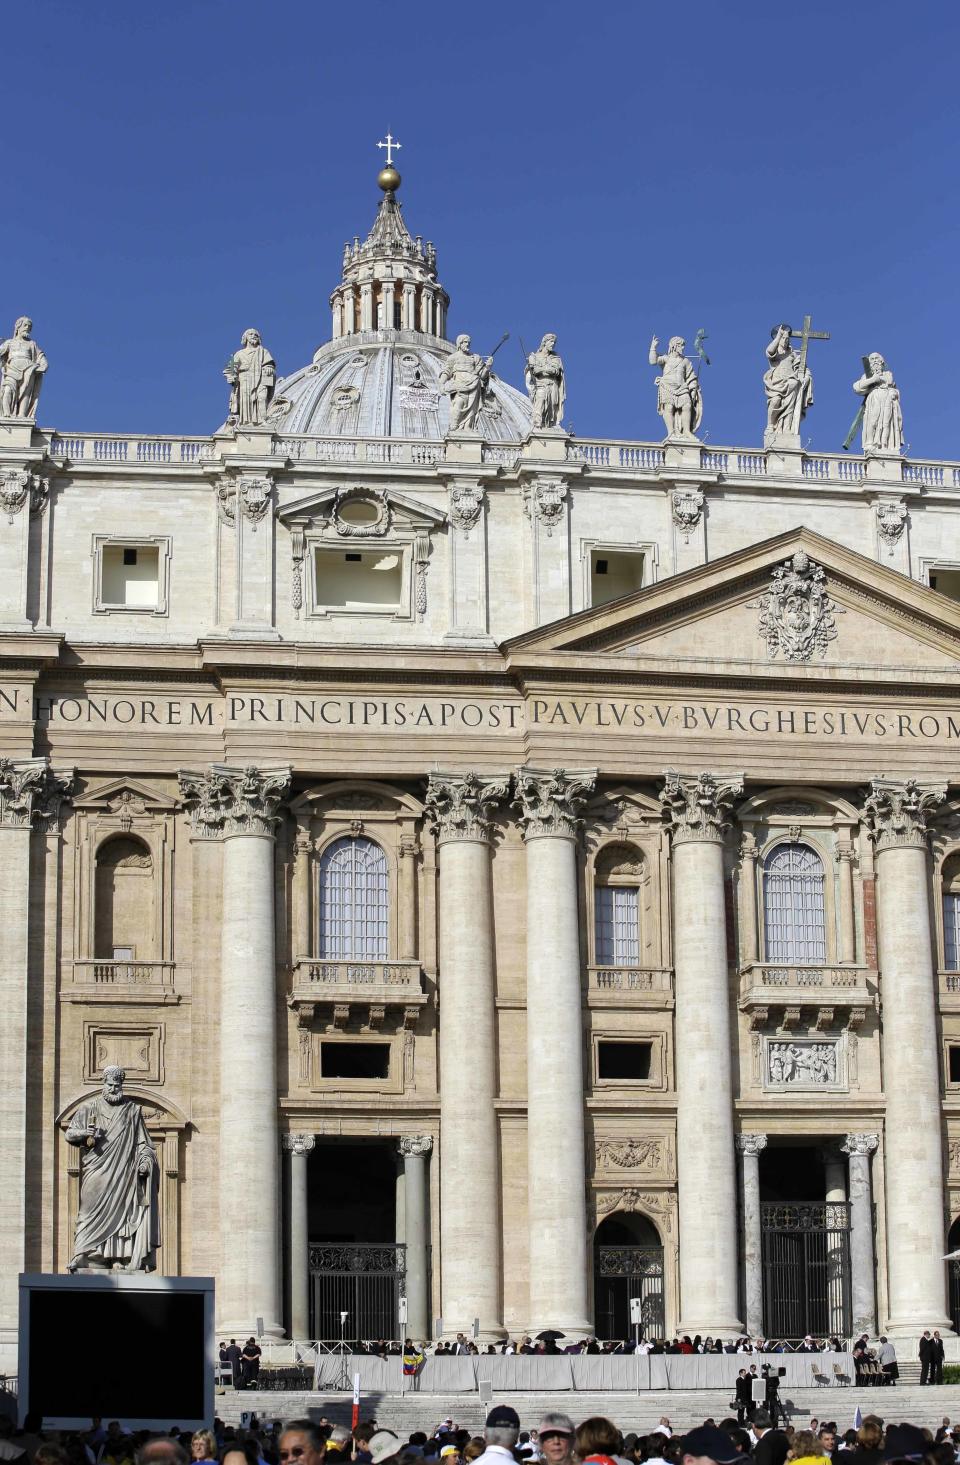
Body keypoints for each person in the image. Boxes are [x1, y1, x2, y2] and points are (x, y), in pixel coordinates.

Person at [65, 1065, 160, 1272]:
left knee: (122, 1213)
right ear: (103, 1084)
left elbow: (144, 1143)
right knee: (88, 1211)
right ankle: (83, 1253)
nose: (114, 1089)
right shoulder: (89, 1109)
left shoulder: (132, 1112)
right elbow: (69, 1135)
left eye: (118, 1085)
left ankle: (118, 1256)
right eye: (111, 1085)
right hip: (97, 1170)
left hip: (124, 1173)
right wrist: (84, 1132)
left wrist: (145, 1161)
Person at [764, 324, 812, 440]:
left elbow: (804, 368)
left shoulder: (792, 353)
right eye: (783, 338)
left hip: (790, 382)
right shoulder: (776, 352)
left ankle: (786, 428)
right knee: (775, 401)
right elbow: (769, 352)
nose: (785, 341)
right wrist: (779, 335)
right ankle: (771, 425)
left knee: (790, 402)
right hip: (776, 382)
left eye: (787, 339)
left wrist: (806, 377)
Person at [648, 335, 702, 439]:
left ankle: (686, 431)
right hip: (667, 386)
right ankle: (671, 432)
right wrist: (653, 347)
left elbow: (691, 376)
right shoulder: (666, 358)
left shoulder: (685, 361)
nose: (683, 348)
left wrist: (693, 386)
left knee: (687, 405)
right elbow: (653, 361)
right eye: (681, 346)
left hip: (682, 388)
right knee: (669, 408)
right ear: (674, 346)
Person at [439, 336, 493, 433]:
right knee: (458, 404)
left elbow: (482, 375)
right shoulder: (453, 357)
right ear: (459, 344)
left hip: (474, 384)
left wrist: (488, 367)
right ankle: (455, 426)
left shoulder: (475, 357)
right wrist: (441, 384)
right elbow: (446, 372)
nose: (467, 344)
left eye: (468, 342)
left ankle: (467, 427)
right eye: (465, 342)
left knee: (472, 409)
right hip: (459, 385)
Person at [853, 354, 903, 455]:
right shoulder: (866, 376)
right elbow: (857, 388)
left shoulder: (888, 374)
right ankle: (870, 444)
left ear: (882, 362)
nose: (875, 361)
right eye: (872, 359)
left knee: (886, 423)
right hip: (874, 400)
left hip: (887, 400)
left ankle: (885, 445)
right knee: (873, 421)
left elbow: (891, 383)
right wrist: (872, 380)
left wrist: (892, 391)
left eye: (877, 359)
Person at [225, 329, 276, 426]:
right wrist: (232, 376)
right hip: (244, 379)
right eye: (251, 334)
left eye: (256, 334)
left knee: (261, 397)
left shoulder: (263, 352)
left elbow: (269, 365)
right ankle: (247, 422)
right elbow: (231, 368)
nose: (254, 336)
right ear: (245, 338)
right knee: (246, 401)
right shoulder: (239, 354)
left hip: (260, 378)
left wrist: (268, 368)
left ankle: (262, 420)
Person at [0, 317, 47, 420]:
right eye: (25, 325)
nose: (28, 328)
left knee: (25, 393)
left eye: (29, 327)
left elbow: (40, 356)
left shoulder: (32, 344)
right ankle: (6, 416)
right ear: (18, 327)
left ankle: (22, 416)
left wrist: (43, 364)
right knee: (7, 390)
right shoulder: (9, 342)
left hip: (29, 369)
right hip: (12, 369)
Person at [525, 334, 565, 430]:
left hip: (553, 386)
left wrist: (542, 369)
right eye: (551, 342)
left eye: (554, 343)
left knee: (552, 408)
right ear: (545, 342)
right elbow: (535, 371)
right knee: (540, 404)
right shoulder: (534, 356)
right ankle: (538, 426)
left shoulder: (556, 358)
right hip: (540, 385)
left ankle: (550, 426)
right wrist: (546, 370)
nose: (553, 344)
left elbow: (556, 371)